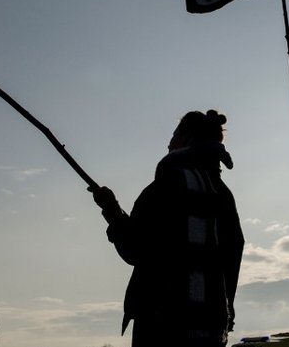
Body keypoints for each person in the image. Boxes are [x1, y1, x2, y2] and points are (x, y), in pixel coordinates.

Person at [91, 110, 245, 347]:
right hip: (210, 328)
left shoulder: (163, 187)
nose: (168, 143)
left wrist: (111, 210)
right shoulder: (223, 195)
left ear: (186, 138)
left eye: (174, 135)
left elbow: (134, 249)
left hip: (161, 325)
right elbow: (233, 253)